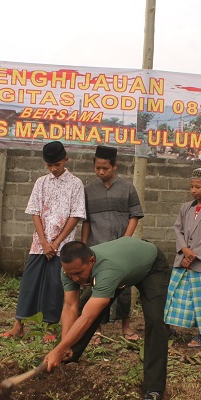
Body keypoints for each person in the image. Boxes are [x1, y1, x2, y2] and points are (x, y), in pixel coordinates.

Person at [45, 238, 170, 400]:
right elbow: (70, 306)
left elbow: (88, 317)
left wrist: (57, 349)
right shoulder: (69, 270)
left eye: (79, 273)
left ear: (91, 261)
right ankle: (69, 355)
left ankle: (154, 387)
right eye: (70, 274)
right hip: (125, 264)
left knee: (156, 320)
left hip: (150, 265)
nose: (75, 279)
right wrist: (63, 345)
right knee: (83, 307)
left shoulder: (108, 271)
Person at [2, 141, 85, 341]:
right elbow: (35, 213)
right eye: (49, 165)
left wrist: (56, 244)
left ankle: (50, 327)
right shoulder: (41, 182)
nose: (54, 169)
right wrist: (44, 241)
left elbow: (76, 216)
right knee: (30, 282)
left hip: (63, 246)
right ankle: (18, 324)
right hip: (39, 244)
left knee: (55, 284)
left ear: (66, 159)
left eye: (57, 164)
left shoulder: (76, 184)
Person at [81, 145, 144, 344]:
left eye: (105, 168)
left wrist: (126, 240)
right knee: (97, 287)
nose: (100, 172)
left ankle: (126, 327)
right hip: (97, 247)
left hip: (121, 248)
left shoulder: (127, 188)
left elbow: (135, 215)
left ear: (115, 166)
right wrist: (84, 246)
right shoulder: (88, 190)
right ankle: (96, 329)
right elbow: (87, 221)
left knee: (124, 287)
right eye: (97, 168)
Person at [164, 168, 201, 347]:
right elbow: (177, 229)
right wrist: (183, 249)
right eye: (192, 187)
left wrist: (192, 256)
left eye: (198, 187)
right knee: (174, 294)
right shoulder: (186, 208)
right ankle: (168, 328)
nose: (193, 190)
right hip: (182, 259)